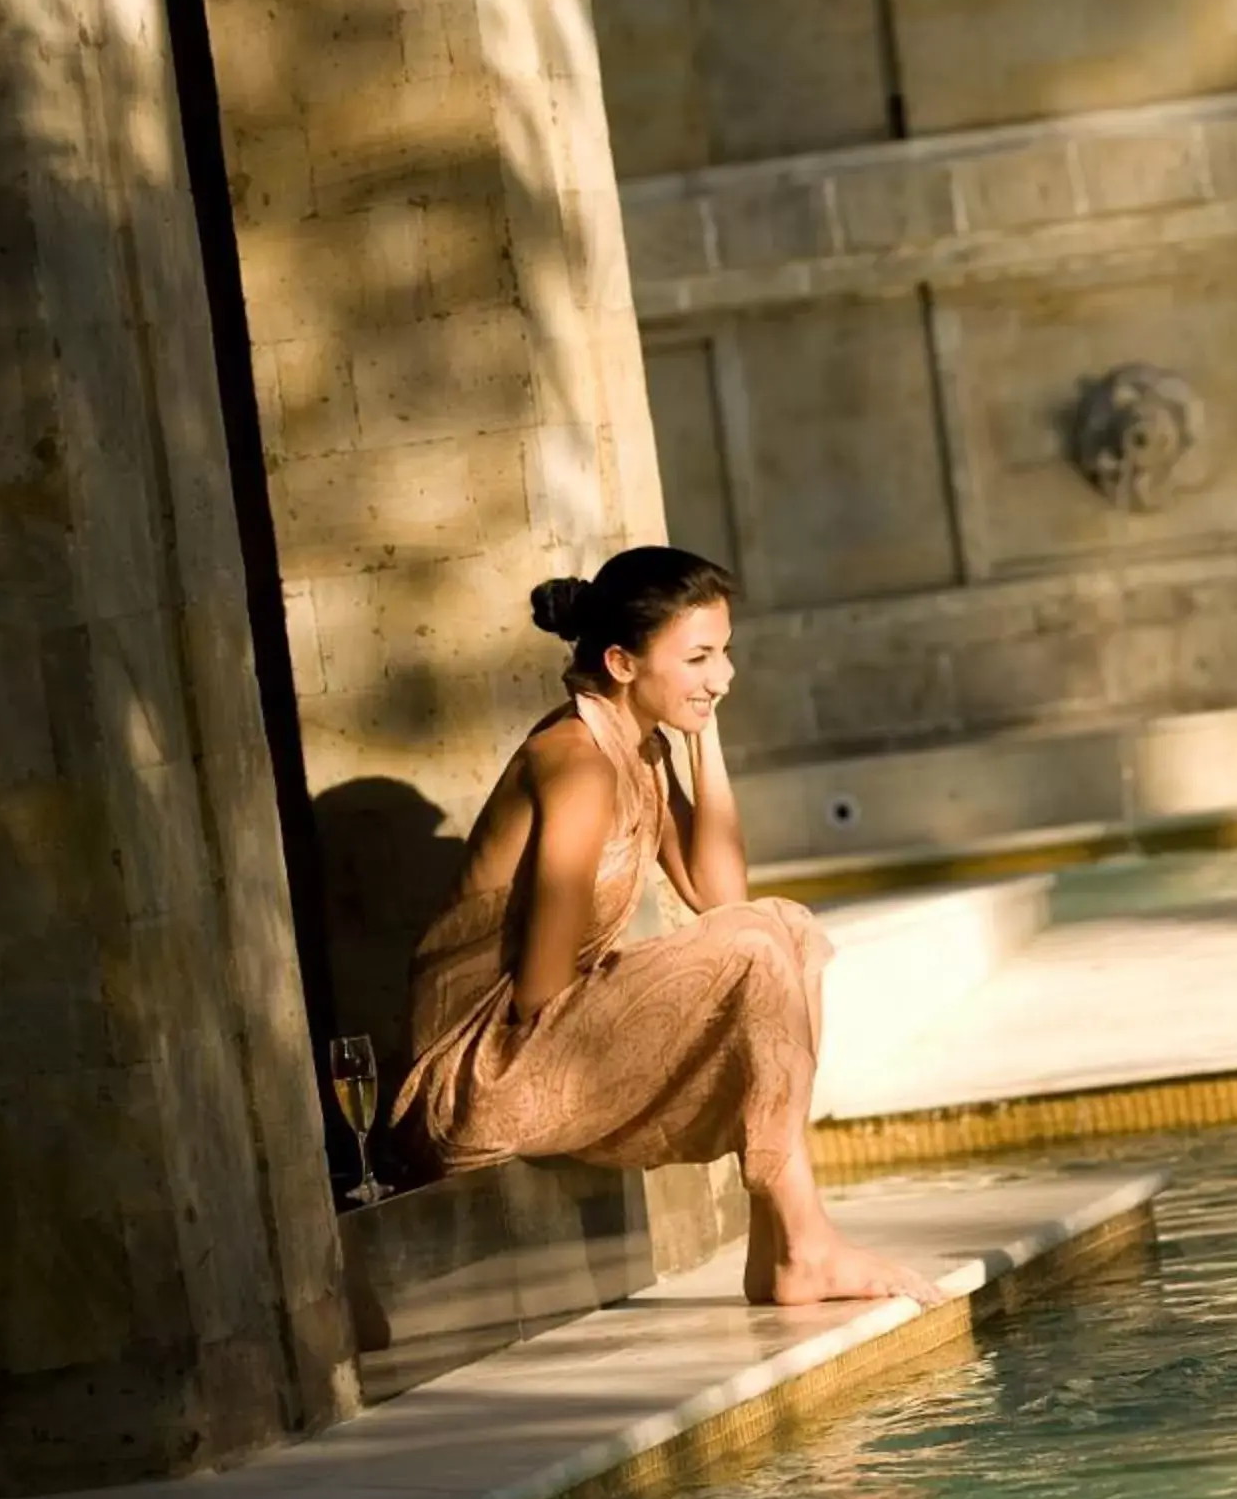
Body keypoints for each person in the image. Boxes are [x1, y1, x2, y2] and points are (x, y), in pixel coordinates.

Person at [394, 546, 941, 1308]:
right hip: (483, 1076)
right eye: (699, 658)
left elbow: (720, 894)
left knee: (783, 931)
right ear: (622, 662)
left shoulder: (632, 746)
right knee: (756, 944)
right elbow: (540, 991)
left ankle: (786, 1241)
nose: (724, 677)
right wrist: (653, 993)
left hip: (543, 1042)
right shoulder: (577, 761)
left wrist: (699, 732)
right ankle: (804, 1245)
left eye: (724, 654)